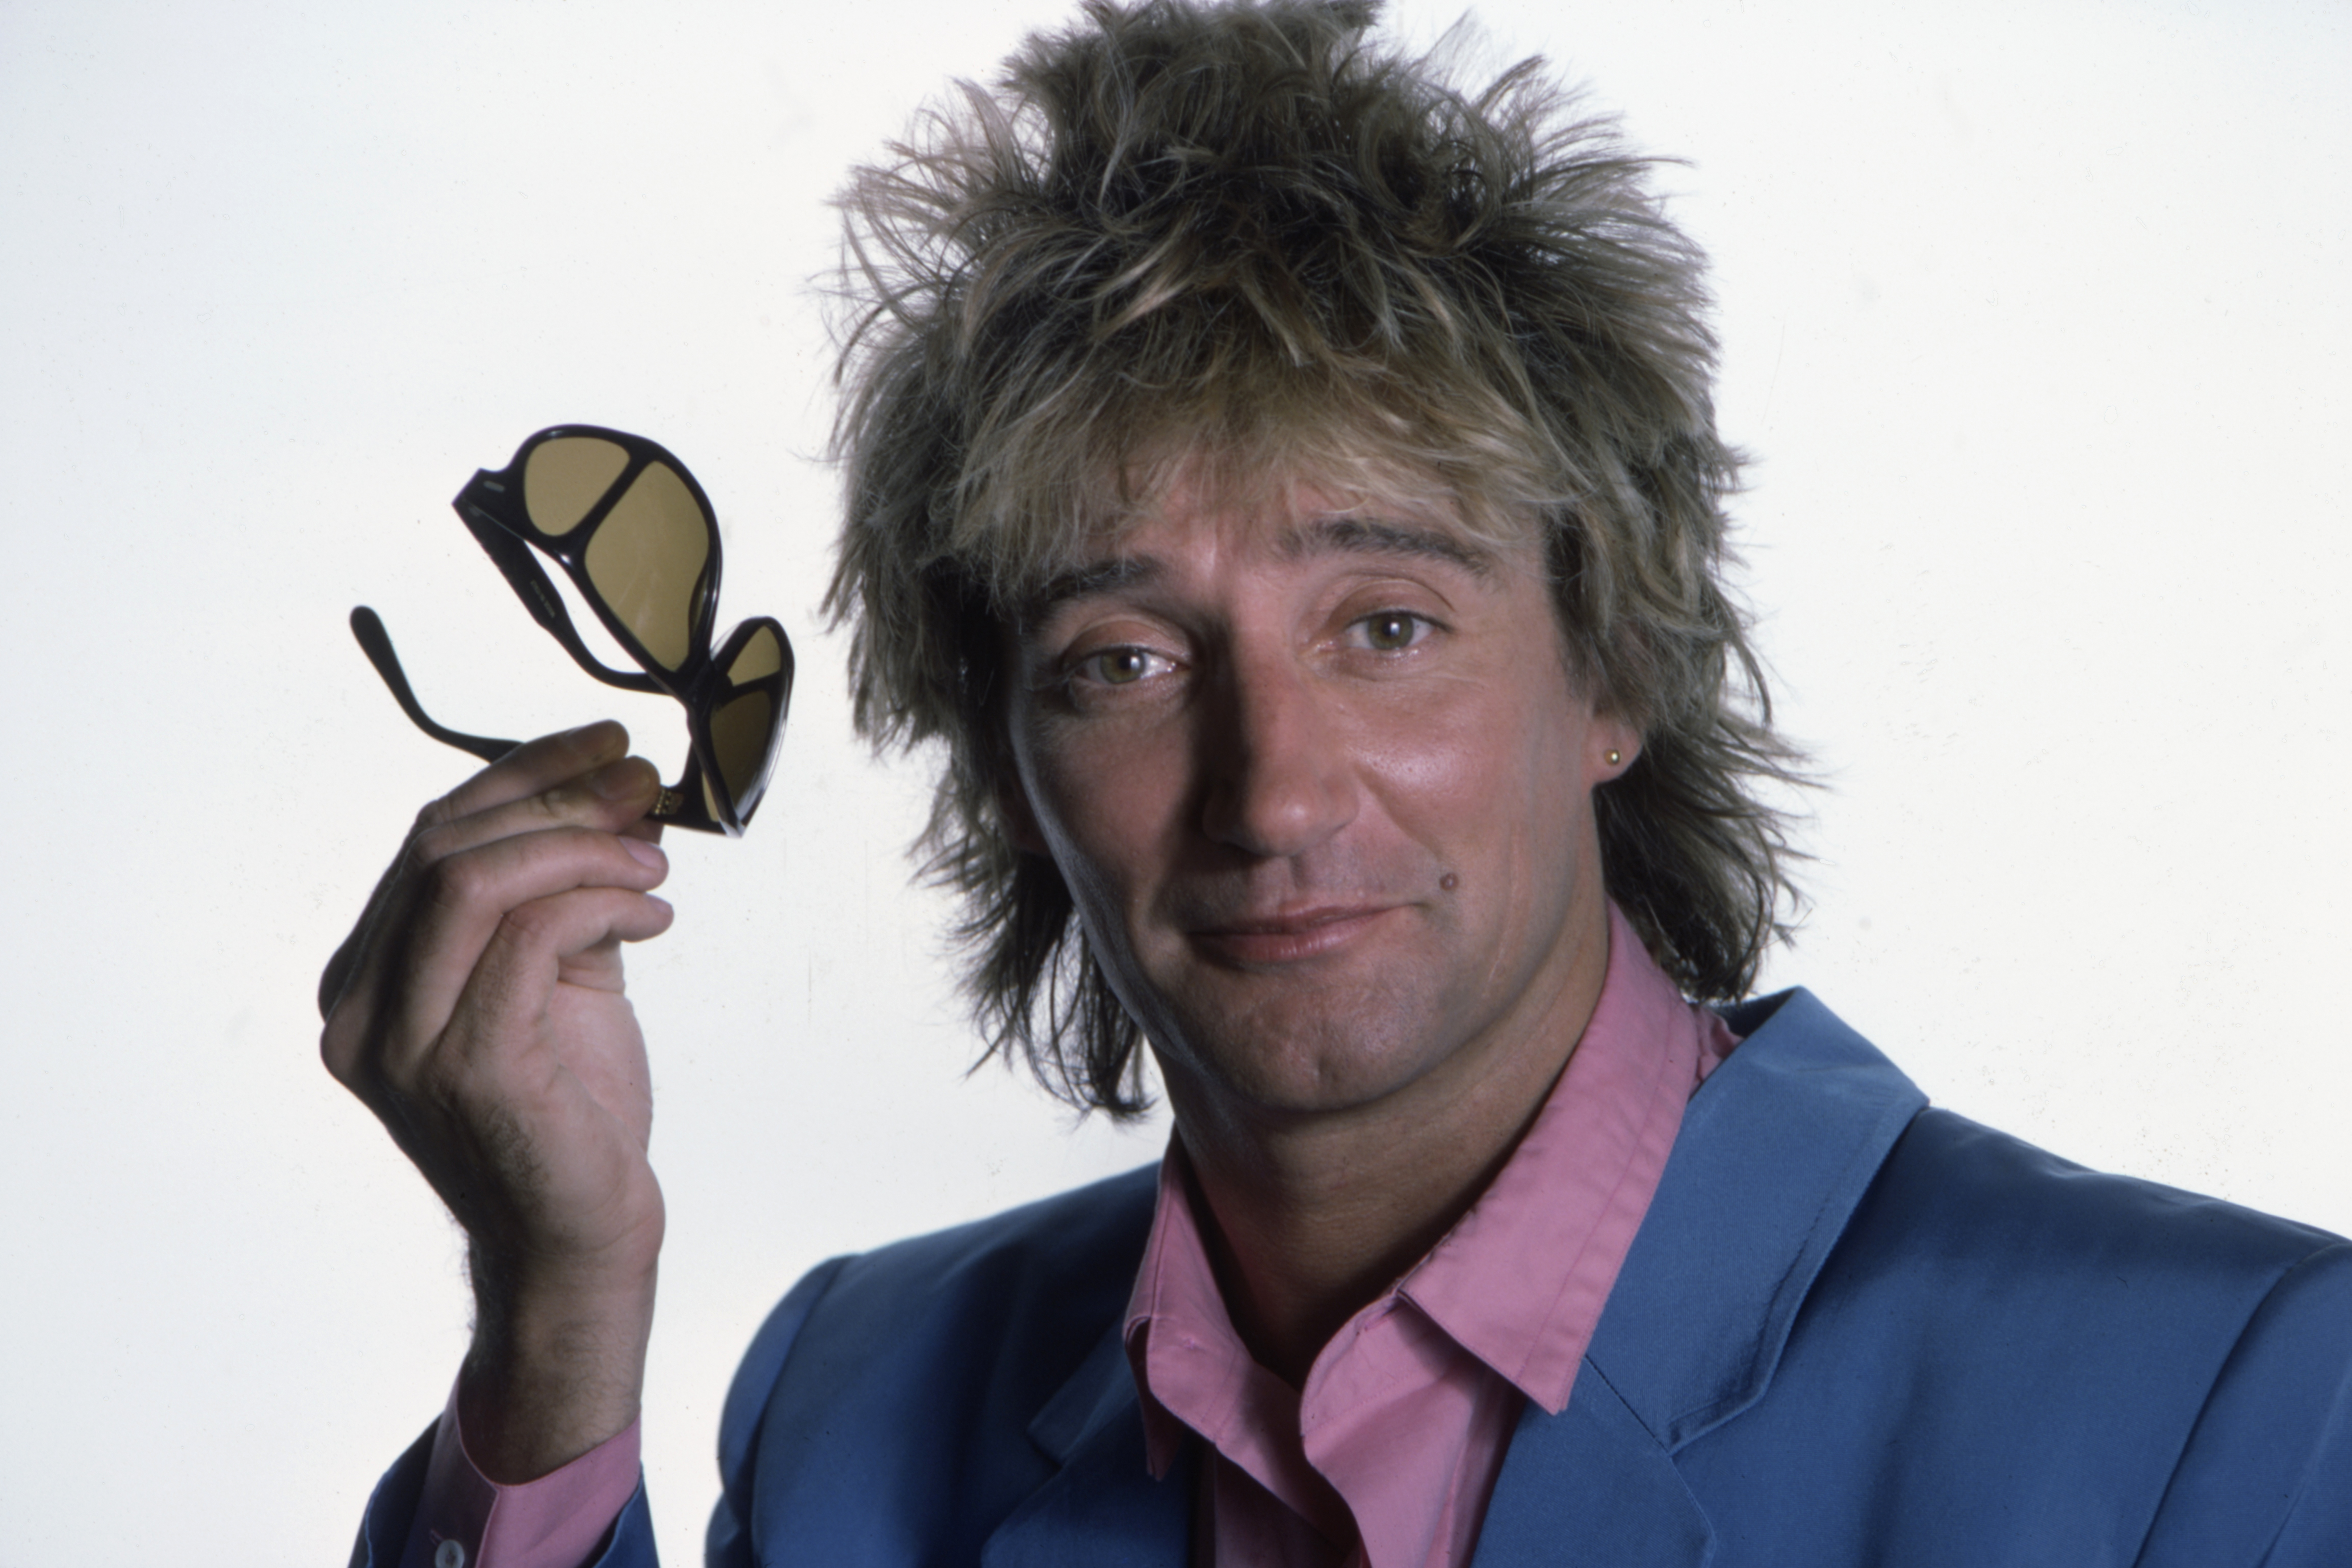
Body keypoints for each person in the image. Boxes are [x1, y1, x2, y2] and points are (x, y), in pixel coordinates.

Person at [323, 2, 2352, 1563]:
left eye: (1384, 620)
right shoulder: (859, 1398)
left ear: (1614, 669)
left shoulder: (2236, 1393)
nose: (1268, 792)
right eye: (1121, 660)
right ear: (1004, 761)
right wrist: (555, 1302)